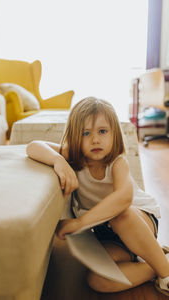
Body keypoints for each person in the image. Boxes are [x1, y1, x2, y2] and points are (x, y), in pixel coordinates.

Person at [26, 97, 169, 295]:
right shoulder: (75, 158)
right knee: (97, 280)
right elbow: (33, 146)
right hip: (107, 233)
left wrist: (79, 222)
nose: (95, 139)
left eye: (102, 131)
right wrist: (57, 160)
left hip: (139, 220)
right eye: (86, 133)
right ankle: (156, 264)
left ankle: (166, 274)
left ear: (114, 134)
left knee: (120, 215)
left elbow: (124, 199)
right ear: (76, 137)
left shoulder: (117, 163)